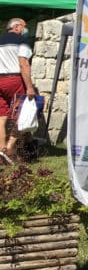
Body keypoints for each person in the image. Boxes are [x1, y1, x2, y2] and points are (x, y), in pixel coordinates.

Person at [1, 18, 36, 164]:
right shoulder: (21, 40)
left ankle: (1, 151)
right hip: (14, 80)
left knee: (1, 117)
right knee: (22, 114)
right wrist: (29, 87)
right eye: (24, 26)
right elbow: (23, 64)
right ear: (16, 27)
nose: (25, 29)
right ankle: (9, 147)